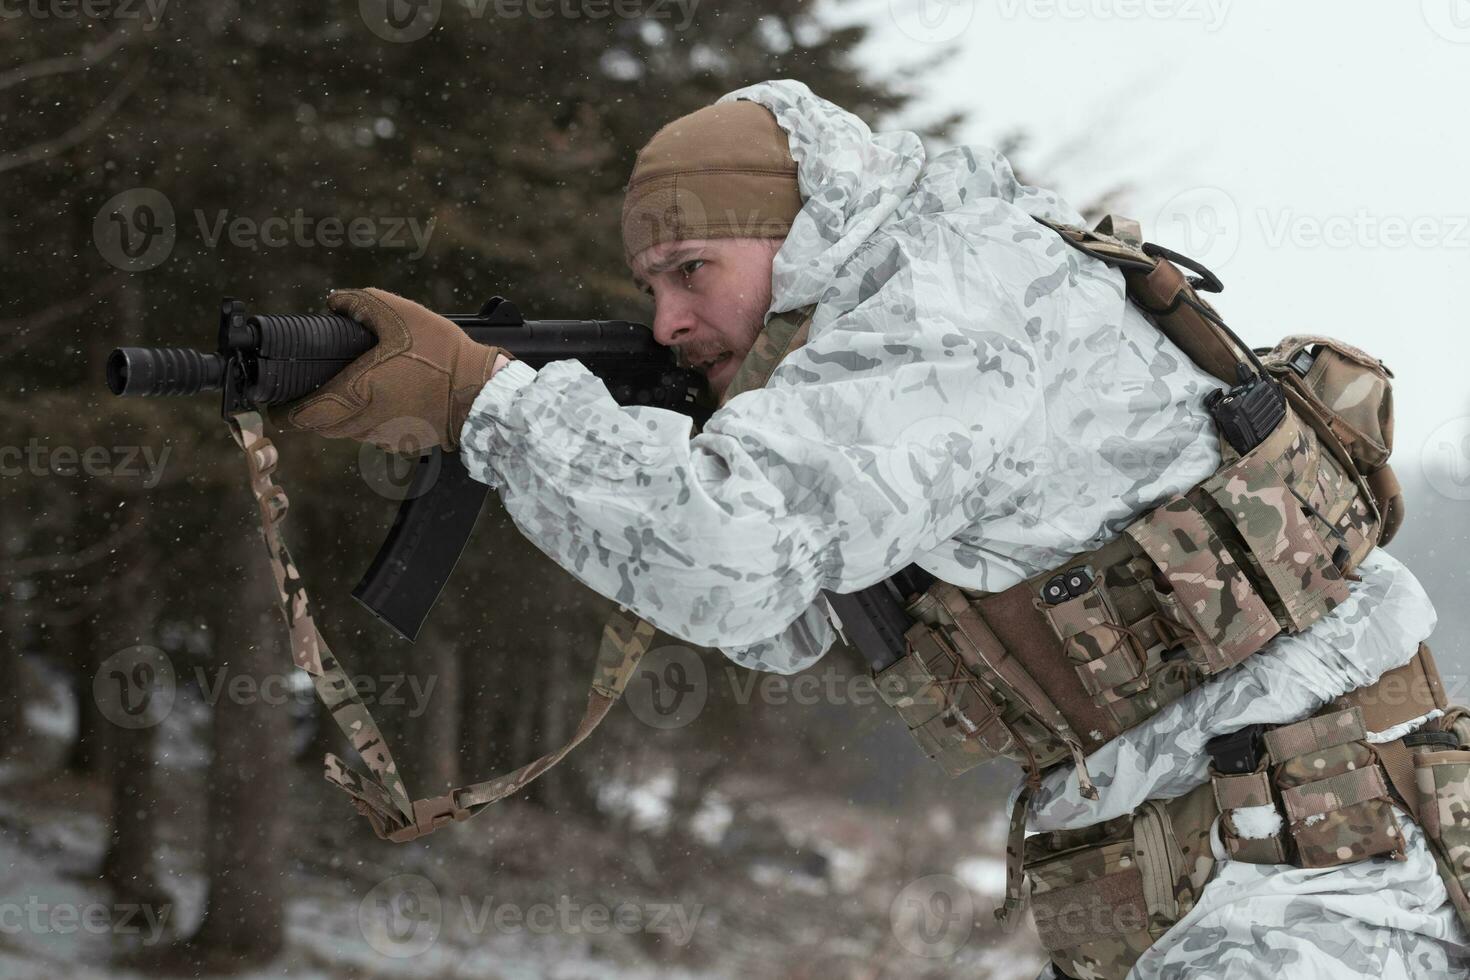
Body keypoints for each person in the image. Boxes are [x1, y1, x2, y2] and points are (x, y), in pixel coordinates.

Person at [277, 79, 1470, 978]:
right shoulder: (890, 318)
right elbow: (792, 620)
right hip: (1243, 855)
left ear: (796, 234)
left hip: (1313, 868)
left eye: (694, 266)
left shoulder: (949, 295)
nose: (672, 315)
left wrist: (490, 405)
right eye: (650, 286)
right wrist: (592, 444)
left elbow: (731, 560)